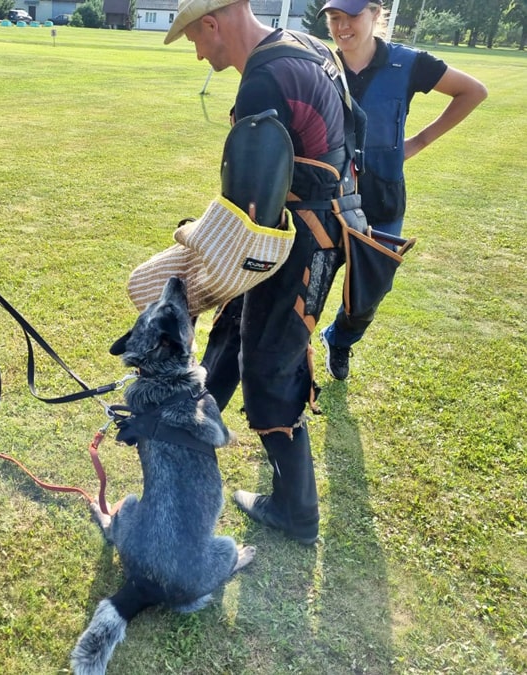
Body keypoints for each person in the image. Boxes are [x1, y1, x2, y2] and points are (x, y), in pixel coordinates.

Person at [164, 0, 361, 544]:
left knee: (271, 368)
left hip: (299, 242)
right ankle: (189, 437)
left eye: (196, 40)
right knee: (236, 329)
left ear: (213, 22)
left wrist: (193, 252)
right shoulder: (307, 46)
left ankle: (297, 513)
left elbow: (247, 217)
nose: (201, 53)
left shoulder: (262, 80)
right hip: (327, 225)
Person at [317, 0, 487, 380]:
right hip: (326, 199)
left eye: (352, 16)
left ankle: (340, 339)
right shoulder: (318, 62)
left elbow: (473, 91)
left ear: (376, 14)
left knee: (370, 293)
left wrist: (420, 142)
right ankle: (293, 363)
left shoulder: (409, 63)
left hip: (383, 199)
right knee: (308, 286)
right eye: (334, 18)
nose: (342, 27)